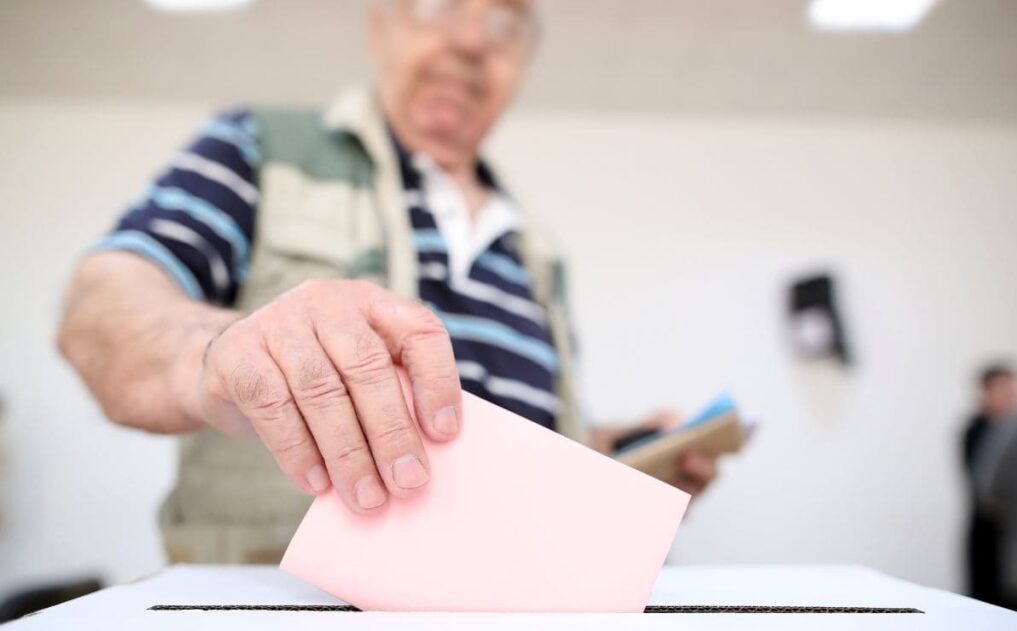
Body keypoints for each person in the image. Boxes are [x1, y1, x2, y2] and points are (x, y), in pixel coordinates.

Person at [57, 0, 718, 564]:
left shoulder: (536, 253)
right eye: (439, 4)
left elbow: (507, 434)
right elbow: (101, 310)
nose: (469, 41)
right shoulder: (256, 147)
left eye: (505, 24)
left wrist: (621, 452)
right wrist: (221, 351)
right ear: (379, 22)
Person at [963, 364, 1017, 611]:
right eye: (1003, 389)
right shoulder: (976, 431)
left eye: (1013, 389)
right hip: (988, 530)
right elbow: (986, 488)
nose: (1011, 395)